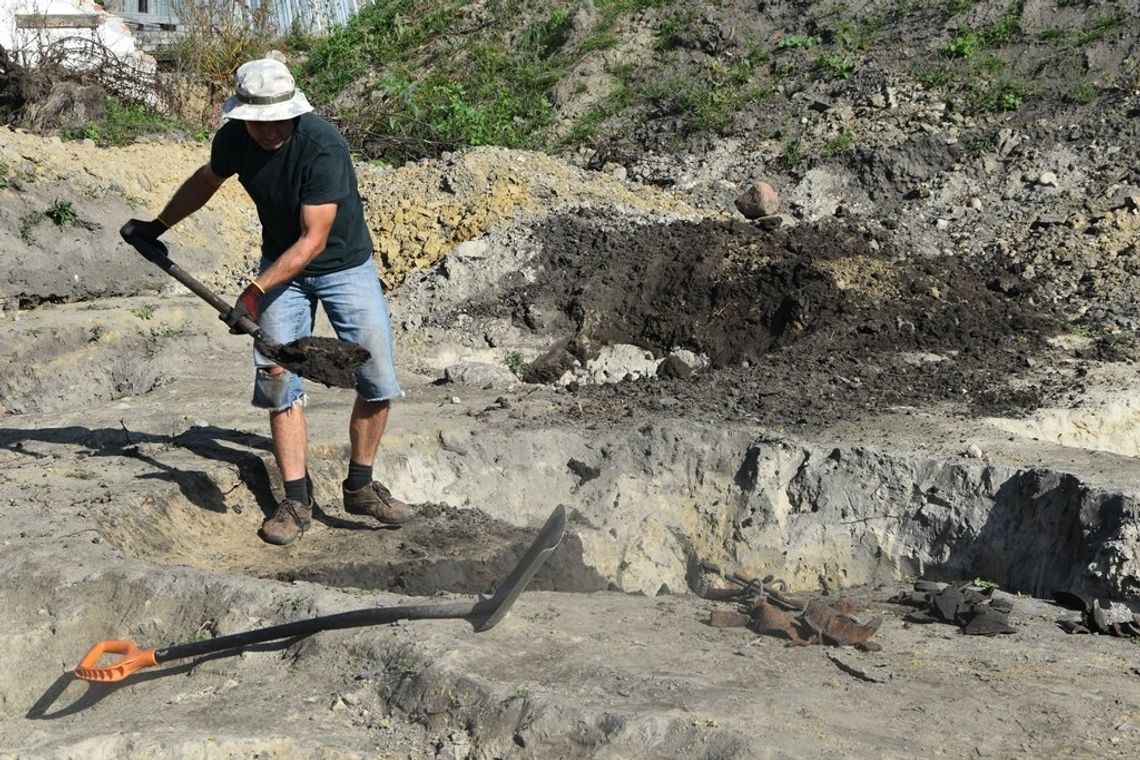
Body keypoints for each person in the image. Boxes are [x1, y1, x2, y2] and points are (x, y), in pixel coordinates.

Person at [121, 57, 414, 545]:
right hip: (281, 259)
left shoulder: (323, 146)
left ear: (294, 112)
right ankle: (296, 501)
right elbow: (205, 182)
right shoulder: (235, 139)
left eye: (280, 119)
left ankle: (360, 487)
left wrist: (255, 292)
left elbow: (314, 239)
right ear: (243, 116)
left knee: (377, 378)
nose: (271, 130)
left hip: (342, 265)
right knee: (278, 377)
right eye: (260, 121)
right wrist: (157, 226)